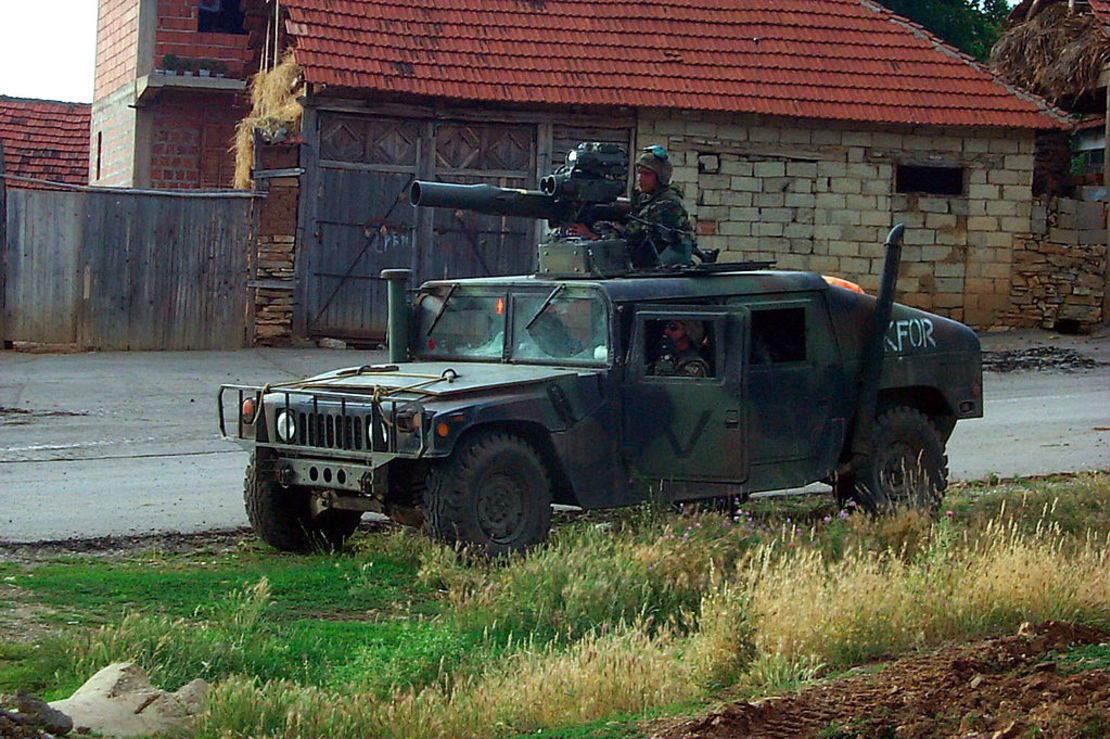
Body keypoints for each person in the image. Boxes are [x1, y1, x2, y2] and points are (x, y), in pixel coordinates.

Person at [569, 145, 696, 268]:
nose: (641, 179)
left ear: (660, 177)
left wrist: (593, 235)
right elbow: (627, 212)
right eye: (640, 173)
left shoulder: (668, 204)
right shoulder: (646, 198)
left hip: (663, 266)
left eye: (647, 174)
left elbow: (630, 237)